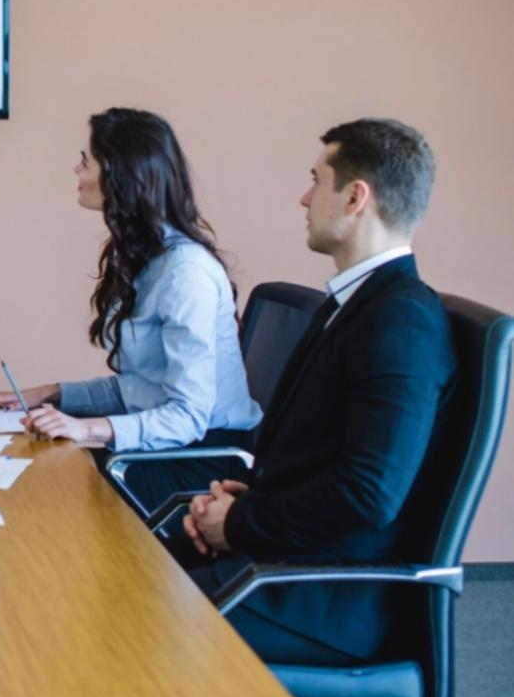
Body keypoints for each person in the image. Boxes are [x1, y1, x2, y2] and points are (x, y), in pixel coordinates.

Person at [180, 118, 456, 664]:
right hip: (290, 566)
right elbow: (322, 457)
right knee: (123, 576)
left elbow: (368, 493)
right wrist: (244, 507)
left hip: (326, 600)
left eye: (316, 180)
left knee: (126, 623)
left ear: (356, 197)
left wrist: (239, 524)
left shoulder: (402, 321)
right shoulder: (352, 305)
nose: (304, 198)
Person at [0, 108, 259, 510]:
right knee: (34, 465)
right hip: (162, 447)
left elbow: (187, 417)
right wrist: (50, 395)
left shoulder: (185, 274)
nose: (76, 169)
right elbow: (138, 388)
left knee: (47, 486)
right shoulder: (147, 258)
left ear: (121, 174)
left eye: (86, 161)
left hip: (198, 461)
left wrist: (84, 428)